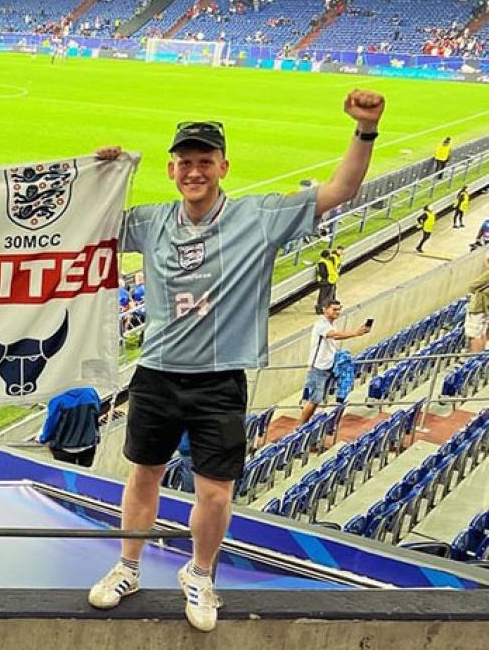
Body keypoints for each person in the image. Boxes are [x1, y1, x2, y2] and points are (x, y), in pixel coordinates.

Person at [89, 89, 384, 633]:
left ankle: (200, 574)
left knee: (215, 490)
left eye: (205, 161)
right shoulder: (152, 221)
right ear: (171, 168)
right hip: (156, 372)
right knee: (142, 476)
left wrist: (365, 128)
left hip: (219, 380)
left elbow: (342, 189)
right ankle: (127, 566)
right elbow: (87, 220)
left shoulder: (260, 217)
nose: (194, 171)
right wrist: (99, 173)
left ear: (223, 166)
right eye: (185, 162)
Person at [298, 301, 370, 425]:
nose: (337, 312)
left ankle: (305, 425)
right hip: (318, 368)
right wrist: (355, 333)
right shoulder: (321, 325)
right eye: (334, 309)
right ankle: (300, 427)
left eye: (338, 309)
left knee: (317, 399)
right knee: (314, 399)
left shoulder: (331, 325)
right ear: (325, 309)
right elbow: (334, 336)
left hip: (328, 366)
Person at [37, 386, 104, 467]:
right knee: (84, 474)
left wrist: (42, 438)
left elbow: (51, 424)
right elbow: (97, 411)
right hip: (88, 445)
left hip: (64, 448)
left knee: (66, 477)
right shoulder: (90, 392)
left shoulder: (58, 398)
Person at [466, 253, 489, 353]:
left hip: (480, 306)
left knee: (475, 334)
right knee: (483, 331)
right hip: (486, 307)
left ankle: (474, 358)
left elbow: (472, 286)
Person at [314, 249, 338, 313]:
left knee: (330, 295)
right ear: (327, 255)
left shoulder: (328, 261)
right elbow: (322, 272)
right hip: (325, 281)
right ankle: (319, 308)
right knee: (323, 296)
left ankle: (328, 307)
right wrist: (327, 279)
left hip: (331, 280)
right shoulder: (322, 262)